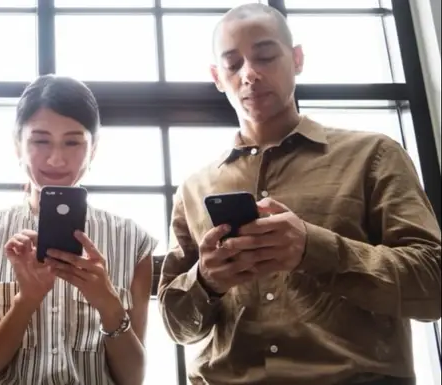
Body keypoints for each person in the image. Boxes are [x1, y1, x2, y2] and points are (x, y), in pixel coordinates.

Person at [158, 4, 442, 385]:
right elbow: (177, 327)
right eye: (233, 64)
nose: (250, 74)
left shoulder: (374, 155)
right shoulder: (194, 188)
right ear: (216, 77)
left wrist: (314, 248)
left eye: (265, 55)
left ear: (297, 59)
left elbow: (434, 284)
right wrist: (206, 280)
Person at [0, 75, 156, 385]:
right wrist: (27, 299)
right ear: (17, 146)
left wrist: (106, 301)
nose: (56, 158)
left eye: (73, 141)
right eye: (40, 140)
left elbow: (133, 379)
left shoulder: (134, 241)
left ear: (93, 149)